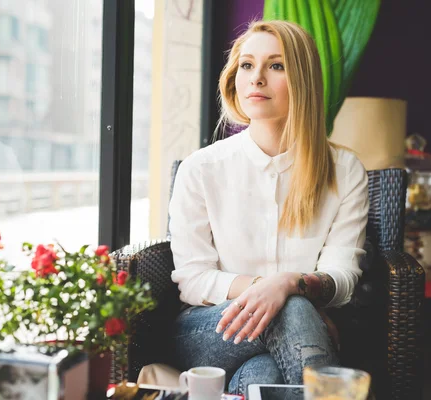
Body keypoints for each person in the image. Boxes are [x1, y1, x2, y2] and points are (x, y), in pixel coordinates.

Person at [169, 20, 369, 397]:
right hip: (207, 329)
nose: (255, 78)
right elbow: (193, 279)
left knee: (263, 372)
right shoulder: (201, 168)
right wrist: (277, 290)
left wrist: (288, 286)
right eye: (246, 65)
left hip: (285, 340)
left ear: (303, 80)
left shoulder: (344, 171)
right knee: (292, 309)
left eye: (276, 66)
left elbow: (342, 278)